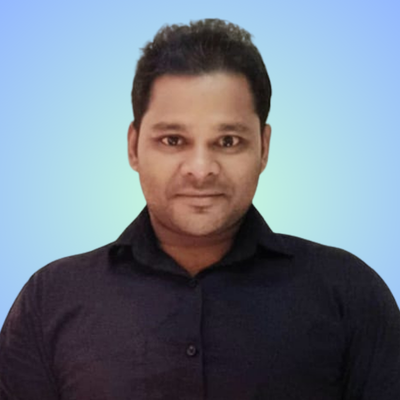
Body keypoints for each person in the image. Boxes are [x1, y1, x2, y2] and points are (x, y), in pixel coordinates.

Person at [1, 18, 399, 400]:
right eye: (173, 140)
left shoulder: (348, 293)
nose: (201, 169)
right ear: (133, 146)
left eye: (228, 141)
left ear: (264, 147)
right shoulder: (51, 300)